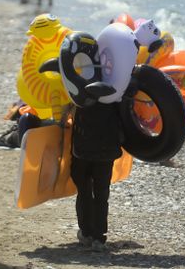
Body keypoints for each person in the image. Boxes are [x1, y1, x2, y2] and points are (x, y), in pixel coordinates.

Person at [70, 96, 122, 252]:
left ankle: (86, 233)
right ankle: (99, 237)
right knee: (101, 194)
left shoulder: (79, 94)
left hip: (82, 151)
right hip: (106, 152)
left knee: (84, 192)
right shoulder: (116, 94)